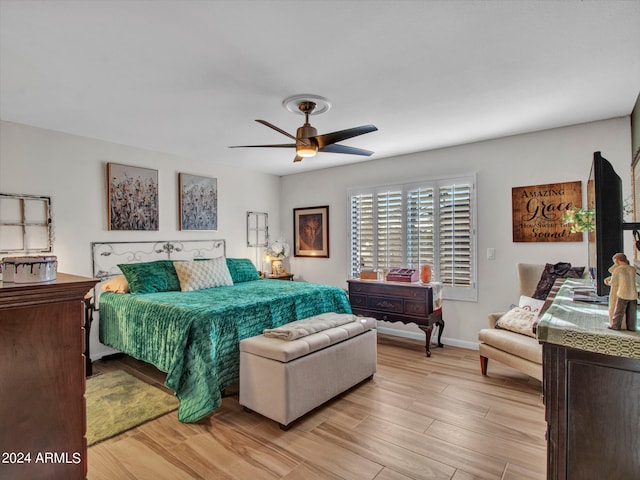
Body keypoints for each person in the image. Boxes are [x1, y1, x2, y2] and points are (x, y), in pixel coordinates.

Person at [604, 252, 638, 331]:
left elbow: (613, 282)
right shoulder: (632, 269)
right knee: (631, 312)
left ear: (617, 260)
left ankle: (615, 325)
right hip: (633, 294)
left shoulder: (618, 269)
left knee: (619, 311)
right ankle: (631, 326)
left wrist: (607, 282)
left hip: (623, 293)